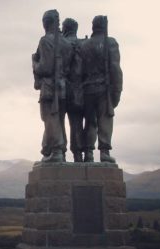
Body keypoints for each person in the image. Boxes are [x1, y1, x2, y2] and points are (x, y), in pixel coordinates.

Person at [80, 15, 123, 163]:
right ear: (105, 26)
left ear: (93, 27)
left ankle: (89, 153)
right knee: (105, 120)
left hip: (87, 89)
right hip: (104, 89)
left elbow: (79, 71)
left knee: (90, 122)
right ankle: (104, 152)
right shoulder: (110, 43)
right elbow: (115, 69)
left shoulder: (84, 46)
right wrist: (117, 92)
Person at [32, 9, 73, 162]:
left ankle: (56, 151)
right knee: (58, 119)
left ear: (45, 23)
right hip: (64, 87)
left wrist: (35, 64)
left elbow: (45, 67)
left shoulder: (45, 41)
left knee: (50, 118)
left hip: (50, 87)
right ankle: (55, 150)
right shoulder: (67, 43)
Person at [62, 18, 85, 162]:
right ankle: (78, 154)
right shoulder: (84, 44)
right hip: (79, 89)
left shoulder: (61, 44)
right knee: (76, 123)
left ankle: (59, 153)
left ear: (65, 29)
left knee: (58, 121)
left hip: (63, 87)